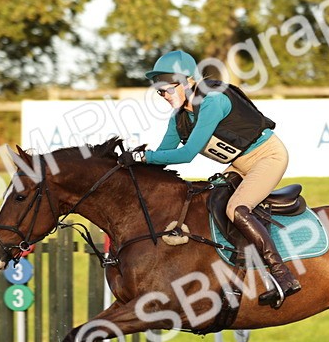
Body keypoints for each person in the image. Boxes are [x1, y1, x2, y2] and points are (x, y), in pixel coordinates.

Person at [119, 49, 300, 308]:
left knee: (236, 209)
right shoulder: (179, 118)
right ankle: (234, 279)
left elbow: (188, 154)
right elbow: (163, 156)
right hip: (238, 165)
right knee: (208, 204)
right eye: (159, 92)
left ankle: (282, 275)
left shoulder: (212, 101)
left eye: (166, 90)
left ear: (186, 83)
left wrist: (144, 158)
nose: (163, 96)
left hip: (268, 158)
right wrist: (131, 164)